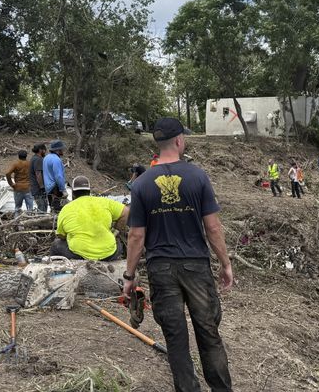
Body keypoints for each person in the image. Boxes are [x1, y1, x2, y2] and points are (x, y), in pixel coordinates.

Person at [124, 117, 233, 392]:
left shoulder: (141, 184)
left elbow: (136, 236)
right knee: (208, 333)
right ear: (180, 141)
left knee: (176, 338)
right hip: (196, 266)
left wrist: (129, 276)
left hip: (161, 269)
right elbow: (213, 227)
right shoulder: (197, 177)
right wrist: (225, 263)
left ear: (157, 144)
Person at [51, 176, 129, 260]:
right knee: (117, 243)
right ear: (89, 191)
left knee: (56, 245)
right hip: (108, 254)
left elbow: (61, 236)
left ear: (73, 193)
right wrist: (115, 231)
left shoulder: (66, 209)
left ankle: (57, 269)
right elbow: (126, 212)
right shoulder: (105, 202)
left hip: (78, 255)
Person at [5, 150, 33, 216]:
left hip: (18, 188)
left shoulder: (16, 164)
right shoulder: (29, 164)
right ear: (26, 156)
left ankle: (16, 222)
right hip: (28, 187)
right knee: (30, 208)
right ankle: (30, 222)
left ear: (18, 156)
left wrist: (11, 183)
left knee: (17, 208)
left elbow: (7, 173)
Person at [43, 140, 67, 212]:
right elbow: (58, 176)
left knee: (52, 207)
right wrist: (63, 189)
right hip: (55, 188)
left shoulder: (46, 158)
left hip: (48, 188)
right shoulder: (56, 160)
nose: (63, 150)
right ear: (58, 150)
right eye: (62, 149)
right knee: (58, 210)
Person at [29, 143, 48, 212]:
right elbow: (38, 174)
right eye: (44, 150)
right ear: (40, 150)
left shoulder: (34, 158)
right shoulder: (38, 159)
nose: (45, 152)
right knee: (42, 209)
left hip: (35, 188)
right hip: (38, 189)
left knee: (42, 207)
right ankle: (40, 222)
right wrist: (42, 187)